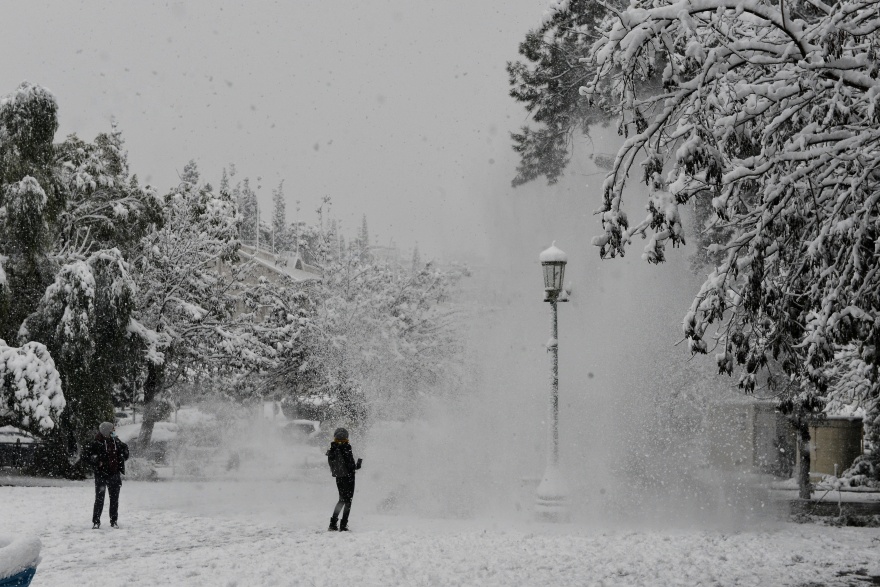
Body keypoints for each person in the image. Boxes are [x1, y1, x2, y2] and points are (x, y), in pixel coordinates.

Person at [86, 421, 129, 529]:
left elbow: (125, 449)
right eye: (112, 430)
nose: (114, 432)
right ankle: (96, 521)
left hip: (114, 474)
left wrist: (123, 455)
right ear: (106, 431)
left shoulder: (116, 441)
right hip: (101, 475)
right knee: (99, 499)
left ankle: (114, 521)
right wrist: (96, 461)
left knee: (114, 499)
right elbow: (86, 456)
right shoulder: (96, 443)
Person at [326, 427, 361, 531]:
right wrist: (358, 465)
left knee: (341, 500)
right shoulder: (346, 447)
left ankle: (333, 523)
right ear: (346, 436)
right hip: (349, 477)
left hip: (339, 478)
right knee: (348, 501)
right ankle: (343, 525)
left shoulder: (333, 448)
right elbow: (351, 466)